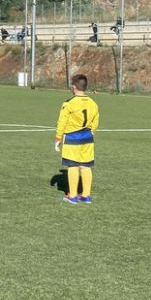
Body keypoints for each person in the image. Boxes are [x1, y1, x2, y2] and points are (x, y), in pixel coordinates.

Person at [55, 73, 99, 204]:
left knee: (73, 166)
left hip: (72, 137)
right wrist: (92, 131)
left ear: (74, 87)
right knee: (85, 166)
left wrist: (58, 137)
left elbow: (62, 122)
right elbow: (96, 121)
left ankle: (72, 196)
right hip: (87, 137)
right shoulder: (93, 103)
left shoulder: (69, 103)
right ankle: (86, 195)